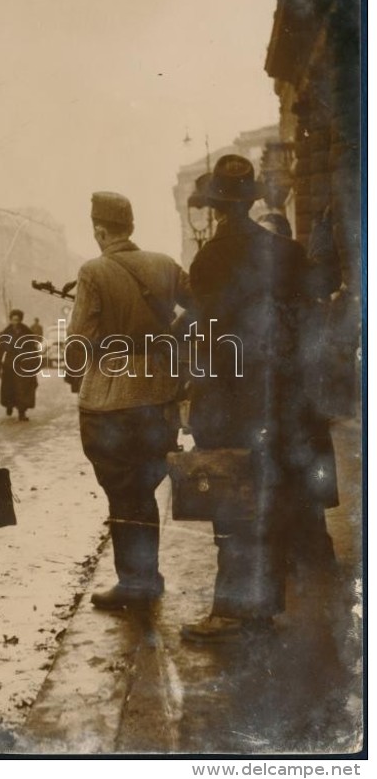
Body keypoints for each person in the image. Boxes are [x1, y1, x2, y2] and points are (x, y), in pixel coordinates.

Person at [181, 155, 338, 644]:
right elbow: (317, 296)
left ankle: (229, 611)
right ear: (248, 202)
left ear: (215, 209)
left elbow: (206, 335)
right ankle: (263, 606)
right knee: (269, 501)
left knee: (231, 506)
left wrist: (194, 399)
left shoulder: (208, 260)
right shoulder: (284, 251)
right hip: (278, 399)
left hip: (228, 399)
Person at [68, 191, 191, 610]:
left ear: (100, 230)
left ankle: (134, 583)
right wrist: (168, 336)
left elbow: (78, 343)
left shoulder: (93, 270)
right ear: (131, 227)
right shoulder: (164, 265)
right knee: (143, 489)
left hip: (111, 401)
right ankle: (146, 576)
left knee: (122, 494)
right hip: (159, 398)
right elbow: (204, 307)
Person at [0, 309, 40, 422]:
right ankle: (9, 405)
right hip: (9, 365)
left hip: (23, 364)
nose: (16, 322)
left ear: (21, 320)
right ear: (10, 320)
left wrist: (34, 364)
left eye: (18, 320)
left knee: (23, 389)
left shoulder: (27, 332)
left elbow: (33, 349)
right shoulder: (5, 333)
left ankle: (22, 412)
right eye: (13, 319)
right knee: (10, 388)